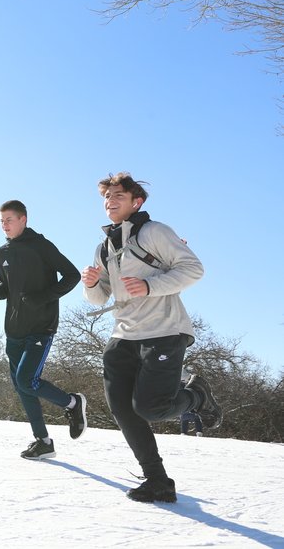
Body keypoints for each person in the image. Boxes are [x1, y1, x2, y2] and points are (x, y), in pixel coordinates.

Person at [81, 172, 220, 503]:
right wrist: (90, 284)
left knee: (151, 408)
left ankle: (197, 397)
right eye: (106, 197)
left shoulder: (154, 232)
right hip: (123, 335)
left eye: (118, 196)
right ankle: (158, 481)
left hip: (164, 330)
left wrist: (149, 286)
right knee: (122, 409)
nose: (110, 202)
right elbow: (100, 298)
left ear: (136, 202)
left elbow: (193, 268)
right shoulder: (104, 247)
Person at [0, 200, 85, 460]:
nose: (4, 225)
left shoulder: (42, 246)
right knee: (23, 387)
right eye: (1, 221)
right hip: (14, 329)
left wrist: (44, 297)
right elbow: (10, 290)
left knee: (26, 380)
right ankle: (43, 442)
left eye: (9, 219)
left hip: (41, 327)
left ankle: (73, 403)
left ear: (23, 219)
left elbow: (72, 275)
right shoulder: (2, 253)